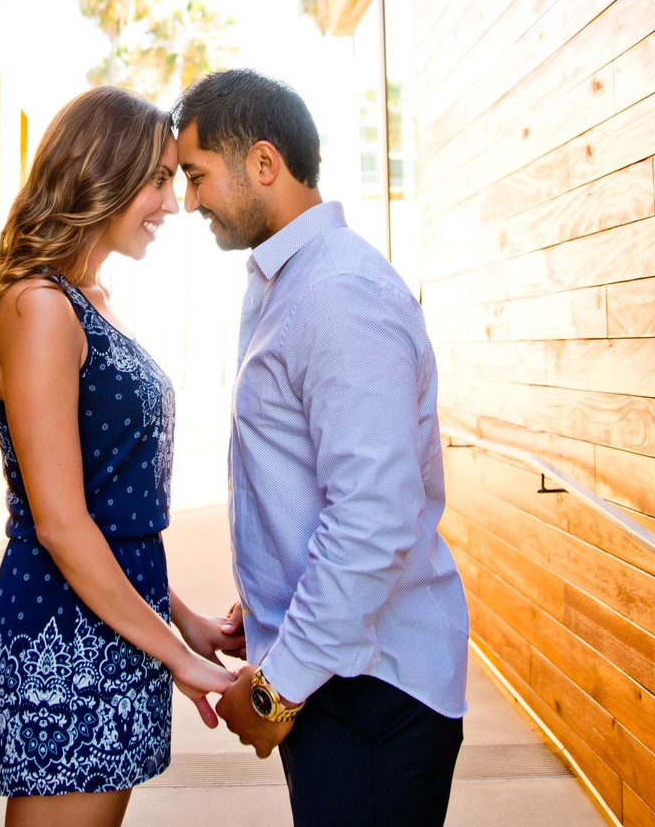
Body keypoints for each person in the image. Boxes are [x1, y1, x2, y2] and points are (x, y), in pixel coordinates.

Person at [172, 68, 470, 827]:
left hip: (369, 691)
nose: (188, 201)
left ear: (263, 165)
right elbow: (315, 480)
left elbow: (373, 516)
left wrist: (277, 689)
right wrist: (270, 600)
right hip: (336, 672)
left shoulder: (336, 294)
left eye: (197, 176)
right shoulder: (292, 280)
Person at [0, 86, 238, 827]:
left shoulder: (86, 296)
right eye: (156, 180)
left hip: (118, 618)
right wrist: (176, 653)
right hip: (65, 628)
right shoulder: (39, 308)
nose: (173, 203)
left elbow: (111, 506)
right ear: (101, 174)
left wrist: (181, 620)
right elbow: (60, 523)